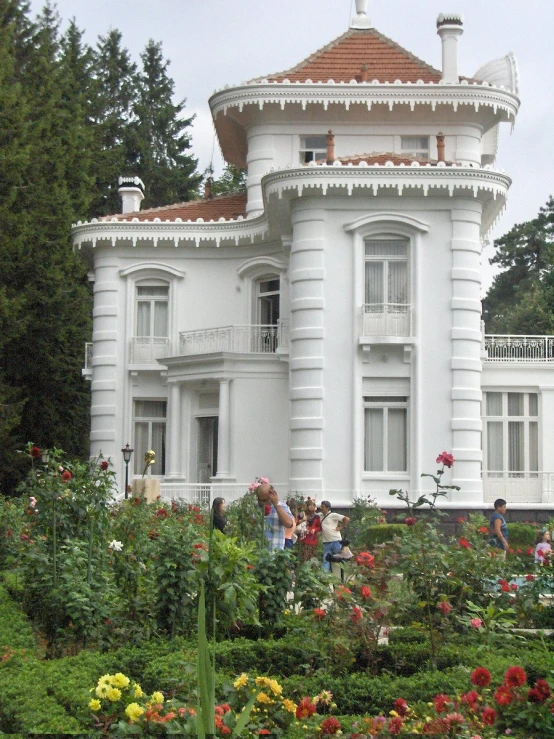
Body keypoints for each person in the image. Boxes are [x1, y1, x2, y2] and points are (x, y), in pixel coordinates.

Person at [255, 481, 294, 551]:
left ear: (272, 495)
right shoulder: (254, 508)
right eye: (259, 499)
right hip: (257, 554)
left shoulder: (282, 507)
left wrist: (276, 505)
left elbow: (289, 524)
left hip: (275, 554)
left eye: (265, 500)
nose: (262, 503)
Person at [319, 500, 350, 572]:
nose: (321, 508)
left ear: (327, 508)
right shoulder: (320, 515)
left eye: (323, 507)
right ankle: (324, 577)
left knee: (339, 559)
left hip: (336, 541)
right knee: (326, 560)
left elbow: (346, 519)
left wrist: (341, 527)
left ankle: (342, 574)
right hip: (326, 542)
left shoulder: (333, 515)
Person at [298, 498, 322, 563]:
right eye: (310, 505)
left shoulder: (316, 516)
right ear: (307, 506)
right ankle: (303, 570)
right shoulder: (302, 514)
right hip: (304, 538)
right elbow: (296, 523)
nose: (312, 507)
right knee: (304, 555)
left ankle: (312, 571)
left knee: (312, 556)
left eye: (313, 505)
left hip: (312, 538)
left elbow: (319, 527)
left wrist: (315, 529)